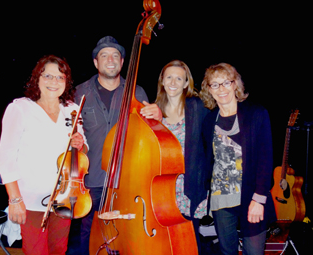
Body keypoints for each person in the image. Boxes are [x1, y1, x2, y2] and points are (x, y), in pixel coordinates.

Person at [67, 36, 162, 255]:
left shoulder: (137, 92)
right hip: (91, 179)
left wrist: (158, 117)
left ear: (122, 62)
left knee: (126, 234)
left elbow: (147, 136)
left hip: (127, 181)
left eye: (115, 56)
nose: (110, 60)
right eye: (104, 55)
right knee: (89, 235)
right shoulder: (79, 93)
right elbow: (70, 134)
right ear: (95, 62)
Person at [0, 55, 88, 255]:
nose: (54, 82)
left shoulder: (72, 110)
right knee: (36, 251)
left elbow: (84, 151)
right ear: (37, 78)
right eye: (48, 76)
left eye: (60, 77)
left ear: (66, 82)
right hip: (30, 201)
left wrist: (79, 144)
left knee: (59, 250)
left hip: (65, 198)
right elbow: (5, 158)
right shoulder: (20, 108)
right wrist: (15, 199)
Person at [199, 63, 276, 255]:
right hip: (220, 198)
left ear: (236, 85)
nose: (221, 89)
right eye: (215, 84)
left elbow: (265, 160)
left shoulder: (257, 114)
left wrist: (259, 199)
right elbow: (209, 161)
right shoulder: (209, 121)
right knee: (227, 252)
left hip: (251, 196)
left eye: (226, 82)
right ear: (209, 89)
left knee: (254, 252)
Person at [154, 60, 209, 254]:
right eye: (169, 77)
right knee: (166, 242)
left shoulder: (197, 107)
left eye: (179, 78)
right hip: (162, 189)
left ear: (187, 83)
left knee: (189, 241)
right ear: (162, 80)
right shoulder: (154, 112)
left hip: (190, 186)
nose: (173, 82)